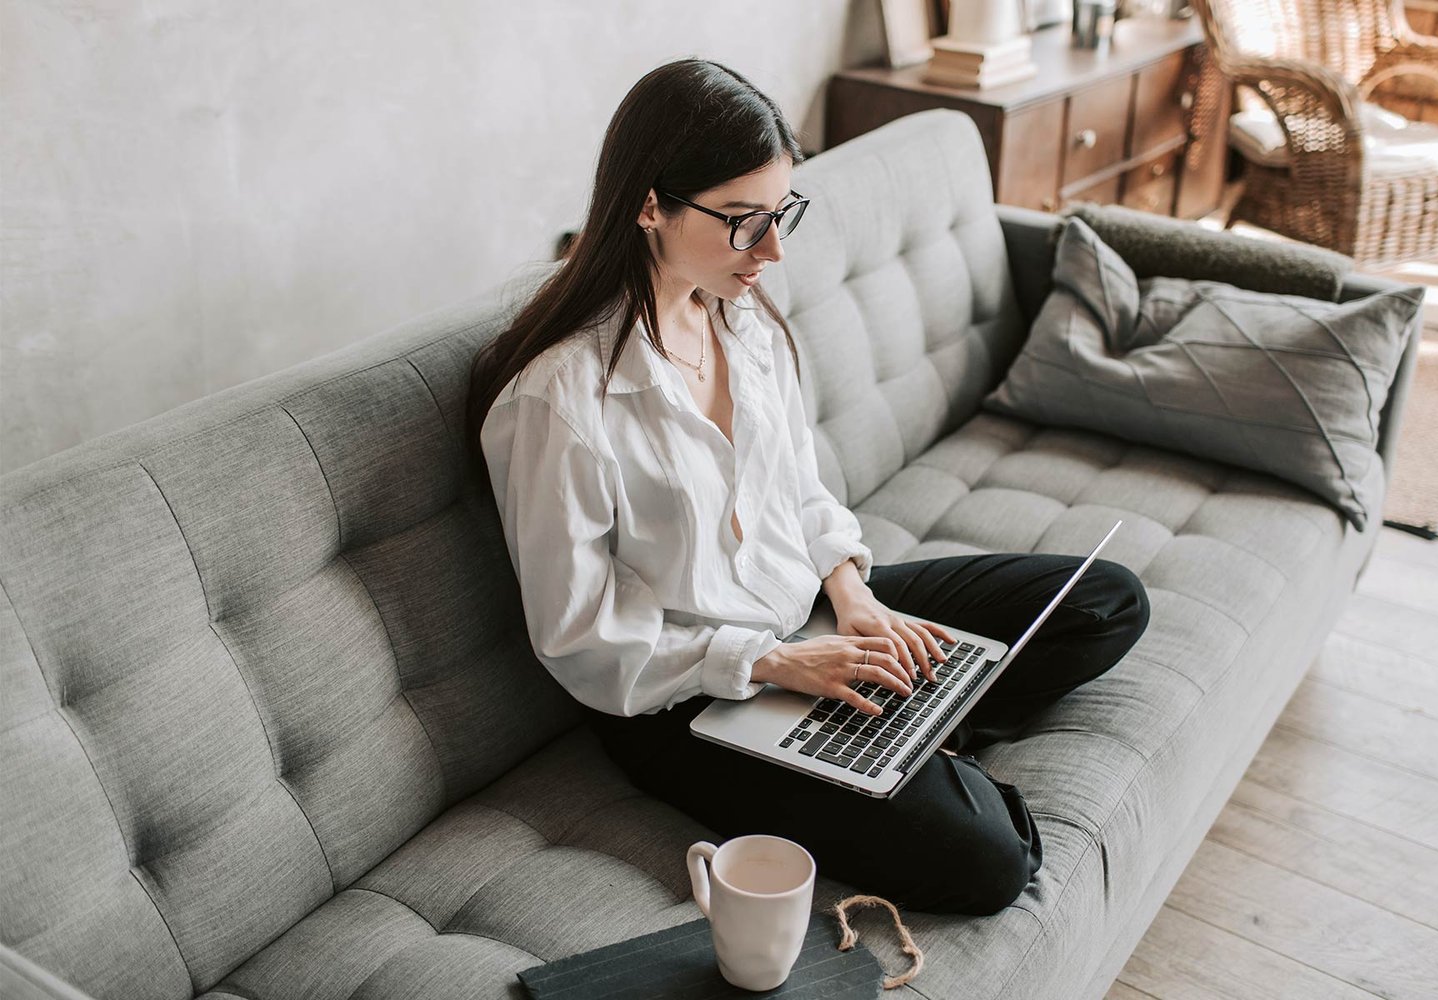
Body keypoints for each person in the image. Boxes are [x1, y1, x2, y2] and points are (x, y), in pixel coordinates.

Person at [466, 58, 1149, 915]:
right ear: (649, 206)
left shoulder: (738, 317)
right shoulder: (560, 400)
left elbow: (799, 489)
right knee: (991, 862)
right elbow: (581, 638)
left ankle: (905, 726)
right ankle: (913, 738)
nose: (774, 250)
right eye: (744, 222)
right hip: (687, 698)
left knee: (1106, 601)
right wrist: (776, 664)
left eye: (781, 212)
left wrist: (855, 597)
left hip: (808, 617)